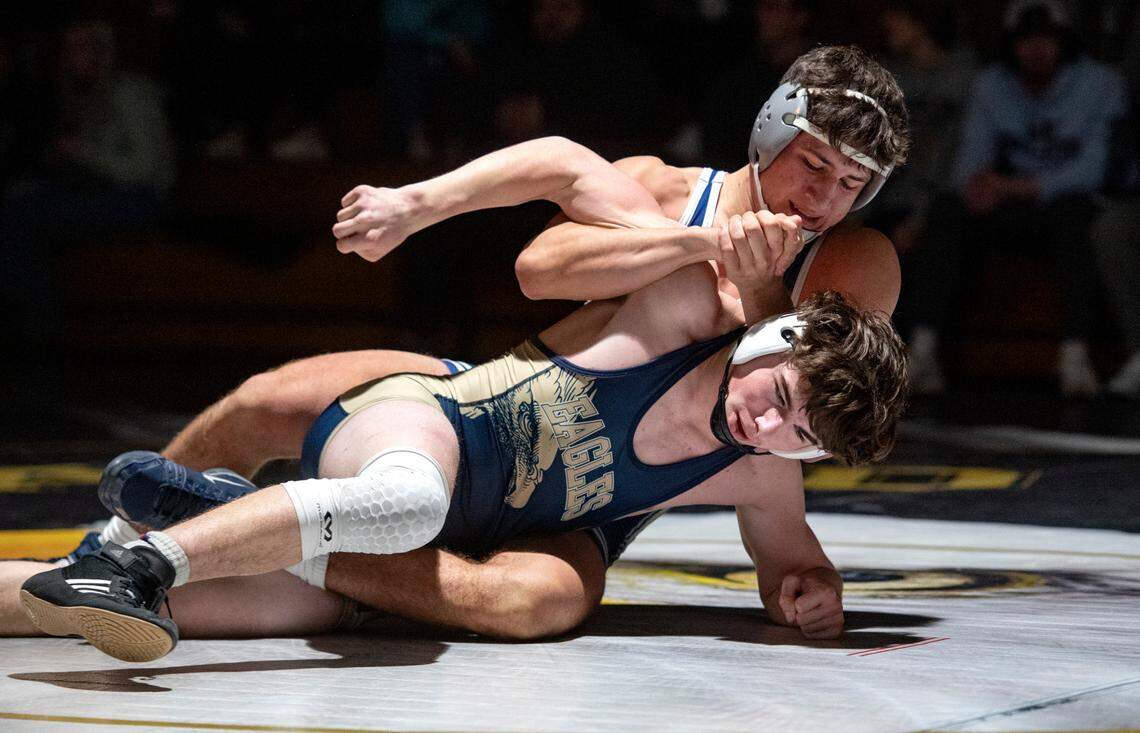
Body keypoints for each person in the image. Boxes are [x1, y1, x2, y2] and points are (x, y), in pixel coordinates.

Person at [6, 45, 909, 647]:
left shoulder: (841, 289)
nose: (821, 198)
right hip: (497, 408)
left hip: (569, 512)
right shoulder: (671, 211)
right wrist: (418, 203)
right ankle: (125, 538)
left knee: (541, 603)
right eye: (813, 166)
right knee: (266, 402)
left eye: (850, 184)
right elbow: (539, 260)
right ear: (770, 135)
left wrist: (807, 586)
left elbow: (830, 377)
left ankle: (222, 533)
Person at [904, 0, 1128, 395]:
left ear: (1066, 42)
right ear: (1011, 45)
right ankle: (923, 351)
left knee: (1076, 217)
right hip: (1007, 205)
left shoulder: (1100, 83)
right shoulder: (993, 83)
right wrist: (979, 187)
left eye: (1048, 38)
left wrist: (1018, 187)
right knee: (947, 210)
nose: (1036, 48)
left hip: (1067, 203)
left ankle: (1075, 356)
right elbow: (969, 162)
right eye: (1026, 40)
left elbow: (1096, 170)